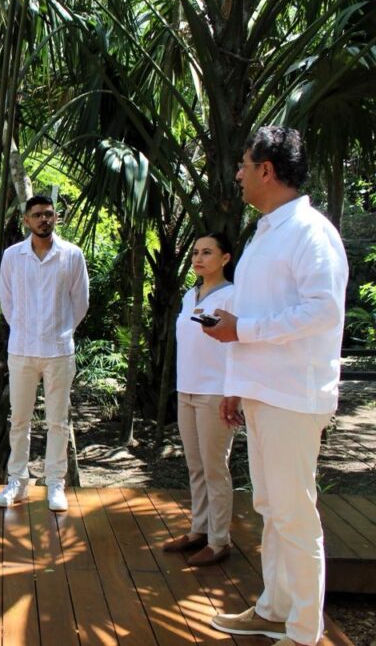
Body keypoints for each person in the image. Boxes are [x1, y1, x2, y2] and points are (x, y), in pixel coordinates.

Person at [205, 127, 348, 646]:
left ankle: (305, 632)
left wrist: (243, 330)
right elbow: (256, 311)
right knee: (270, 507)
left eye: (245, 164)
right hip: (262, 391)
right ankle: (275, 609)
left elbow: (323, 310)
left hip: (292, 395)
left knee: (294, 514)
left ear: (266, 170)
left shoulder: (311, 231)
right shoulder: (267, 231)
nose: (238, 174)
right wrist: (235, 383)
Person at [0, 194, 89, 511]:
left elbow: (80, 302)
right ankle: (17, 482)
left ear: (56, 217)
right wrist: (25, 329)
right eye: (37, 215)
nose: (43, 219)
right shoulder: (12, 256)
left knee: (57, 421)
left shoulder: (72, 255)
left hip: (58, 350)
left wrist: (60, 331)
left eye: (48, 214)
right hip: (21, 349)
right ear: (26, 220)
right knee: (19, 419)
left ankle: (55, 484)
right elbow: (7, 301)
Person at [165, 232, 237, 565]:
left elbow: (239, 346)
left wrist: (233, 392)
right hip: (187, 389)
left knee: (214, 467)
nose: (198, 258)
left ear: (225, 258)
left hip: (215, 392)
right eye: (195, 252)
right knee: (195, 465)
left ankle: (220, 541)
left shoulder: (233, 296)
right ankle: (199, 529)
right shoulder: (189, 295)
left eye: (207, 252)